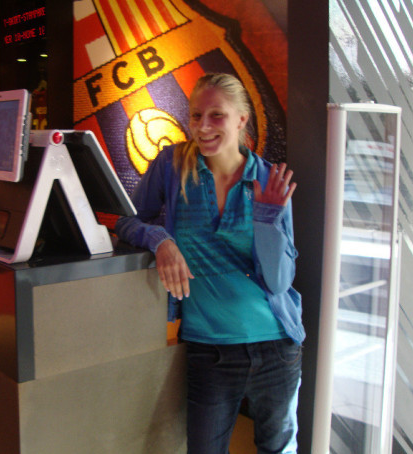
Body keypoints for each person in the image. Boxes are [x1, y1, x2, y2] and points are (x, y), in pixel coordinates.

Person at [115, 73, 304, 454]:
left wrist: (268, 219)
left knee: (278, 449)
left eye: (216, 115)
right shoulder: (172, 166)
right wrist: (161, 240)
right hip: (209, 347)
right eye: (196, 115)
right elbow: (126, 221)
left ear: (241, 119)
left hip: (275, 344)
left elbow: (279, 281)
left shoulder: (267, 179)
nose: (202, 127)